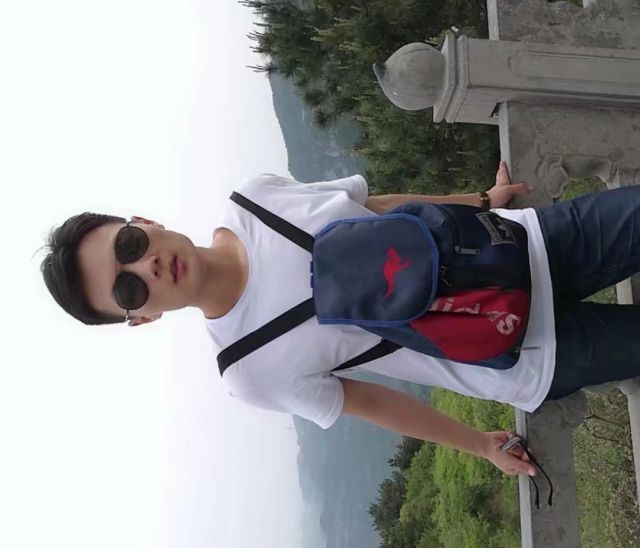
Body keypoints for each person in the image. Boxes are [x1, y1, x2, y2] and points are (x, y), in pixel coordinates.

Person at [41, 161, 640, 478]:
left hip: (527, 242)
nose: (145, 265)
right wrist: (480, 445)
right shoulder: (247, 369)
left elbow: (379, 209)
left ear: (142, 222)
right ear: (142, 317)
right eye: (127, 288)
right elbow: (371, 403)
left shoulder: (253, 197)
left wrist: (478, 202)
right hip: (533, 353)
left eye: (128, 245)